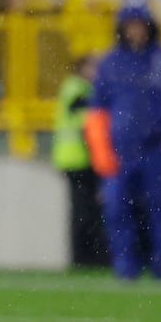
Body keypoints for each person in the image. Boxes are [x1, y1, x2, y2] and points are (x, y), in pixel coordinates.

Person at [85, 1, 161, 279]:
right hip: (122, 149)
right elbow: (97, 113)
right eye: (130, 25)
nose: (135, 31)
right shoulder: (110, 64)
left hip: (158, 149)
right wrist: (102, 152)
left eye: (139, 24)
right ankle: (125, 267)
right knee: (118, 210)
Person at [52, 54, 108, 267]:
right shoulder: (77, 88)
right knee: (83, 211)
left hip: (82, 159)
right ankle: (83, 256)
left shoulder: (78, 87)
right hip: (77, 159)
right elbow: (86, 120)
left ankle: (87, 255)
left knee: (86, 210)